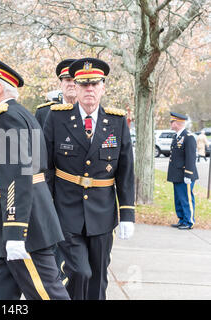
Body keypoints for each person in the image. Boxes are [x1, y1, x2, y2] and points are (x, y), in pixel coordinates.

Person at [0, 54, 70, 300]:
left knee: (48, 294)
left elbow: (17, 175)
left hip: (25, 227)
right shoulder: (11, 115)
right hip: (8, 224)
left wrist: (16, 231)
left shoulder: (8, 117)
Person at [43, 57, 135, 300]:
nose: (89, 90)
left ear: (103, 87)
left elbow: (125, 170)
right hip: (66, 211)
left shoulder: (116, 122)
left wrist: (127, 214)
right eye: (84, 85)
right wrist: (45, 207)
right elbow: (46, 167)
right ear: (76, 87)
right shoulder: (57, 118)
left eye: (95, 84)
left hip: (102, 213)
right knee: (79, 272)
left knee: (98, 276)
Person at [167, 112, 198, 230]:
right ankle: (182, 219)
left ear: (177, 123)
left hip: (185, 174)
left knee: (186, 198)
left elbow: (190, 157)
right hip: (177, 174)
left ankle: (189, 221)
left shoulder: (188, 137)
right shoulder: (177, 136)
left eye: (172, 122)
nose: (170, 124)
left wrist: (188, 174)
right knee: (179, 198)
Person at [35, 59, 77, 128]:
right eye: (68, 80)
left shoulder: (88, 111)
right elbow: (35, 138)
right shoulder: (44, 113)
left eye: (75, 80)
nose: (72, 84)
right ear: (60, 84)